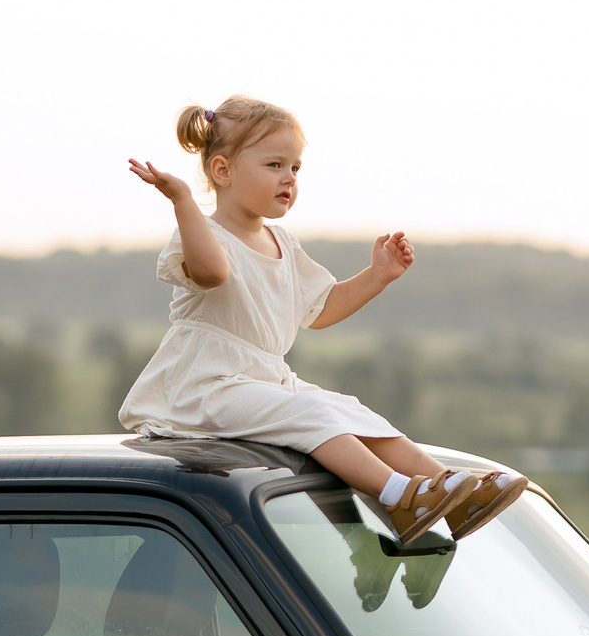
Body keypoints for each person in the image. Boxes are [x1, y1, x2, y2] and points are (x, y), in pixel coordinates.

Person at [123, 96, 525, 544]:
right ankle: (399, 496)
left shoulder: (283, 242)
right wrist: (182, 200)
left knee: (349, 411)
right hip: (206, 387)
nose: (289, 178)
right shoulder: (202, 234)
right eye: (274, 165)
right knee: (311, 412)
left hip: (264, 381)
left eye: (295, 168)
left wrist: (377, 276)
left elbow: (321, 309)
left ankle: (448, 487)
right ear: (223, 171)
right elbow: (213, 272)